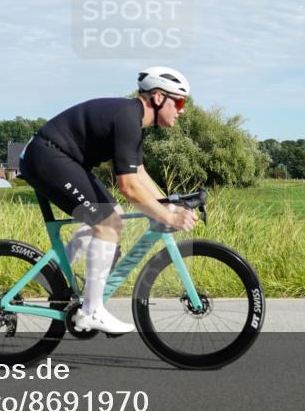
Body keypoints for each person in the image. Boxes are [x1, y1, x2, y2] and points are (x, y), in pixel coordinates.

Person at [18, 67, 197, 334]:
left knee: (109, 214)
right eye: (179, 102)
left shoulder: (135, 121)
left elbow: (139, 173)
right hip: (47, 157)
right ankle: (91, 312)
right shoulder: (128, 119)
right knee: (108, 222)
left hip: (55, 157)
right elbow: (128, 186)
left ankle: (51, 276)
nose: (182, 110)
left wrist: (168, 203)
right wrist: (168, 216)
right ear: (159, 97)